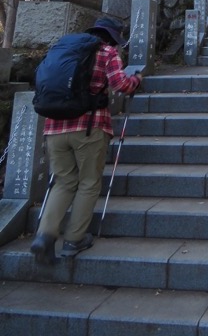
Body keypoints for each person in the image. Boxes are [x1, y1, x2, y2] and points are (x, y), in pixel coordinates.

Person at [30, 17, 142, 265]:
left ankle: (45, 236)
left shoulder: (62, 50)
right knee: (89, 182)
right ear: (112, 37)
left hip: (54, 126)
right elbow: (120, 84)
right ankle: (74, 239)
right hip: (90, 127)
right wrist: (136, 80)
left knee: (63, 182)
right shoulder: (107, 52)